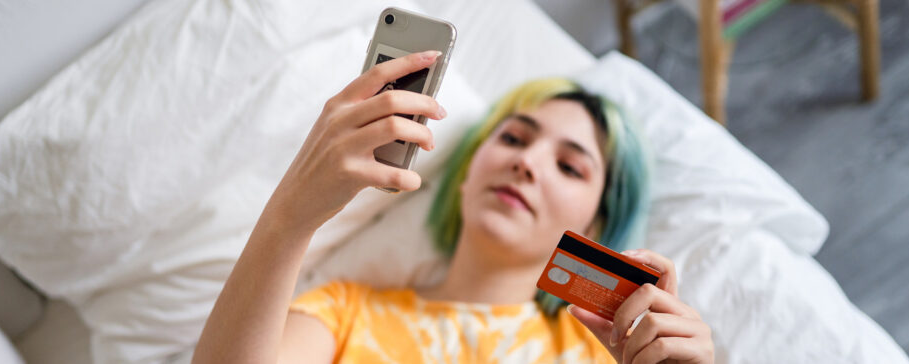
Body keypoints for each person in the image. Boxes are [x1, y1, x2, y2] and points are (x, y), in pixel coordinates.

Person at [193, 50, 714, 364]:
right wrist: (291, 216)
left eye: (570, 167)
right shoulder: (344, 312)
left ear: (595, 225)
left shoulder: (612, 354)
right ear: (466, 174)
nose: (527, 163)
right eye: (513, 138)